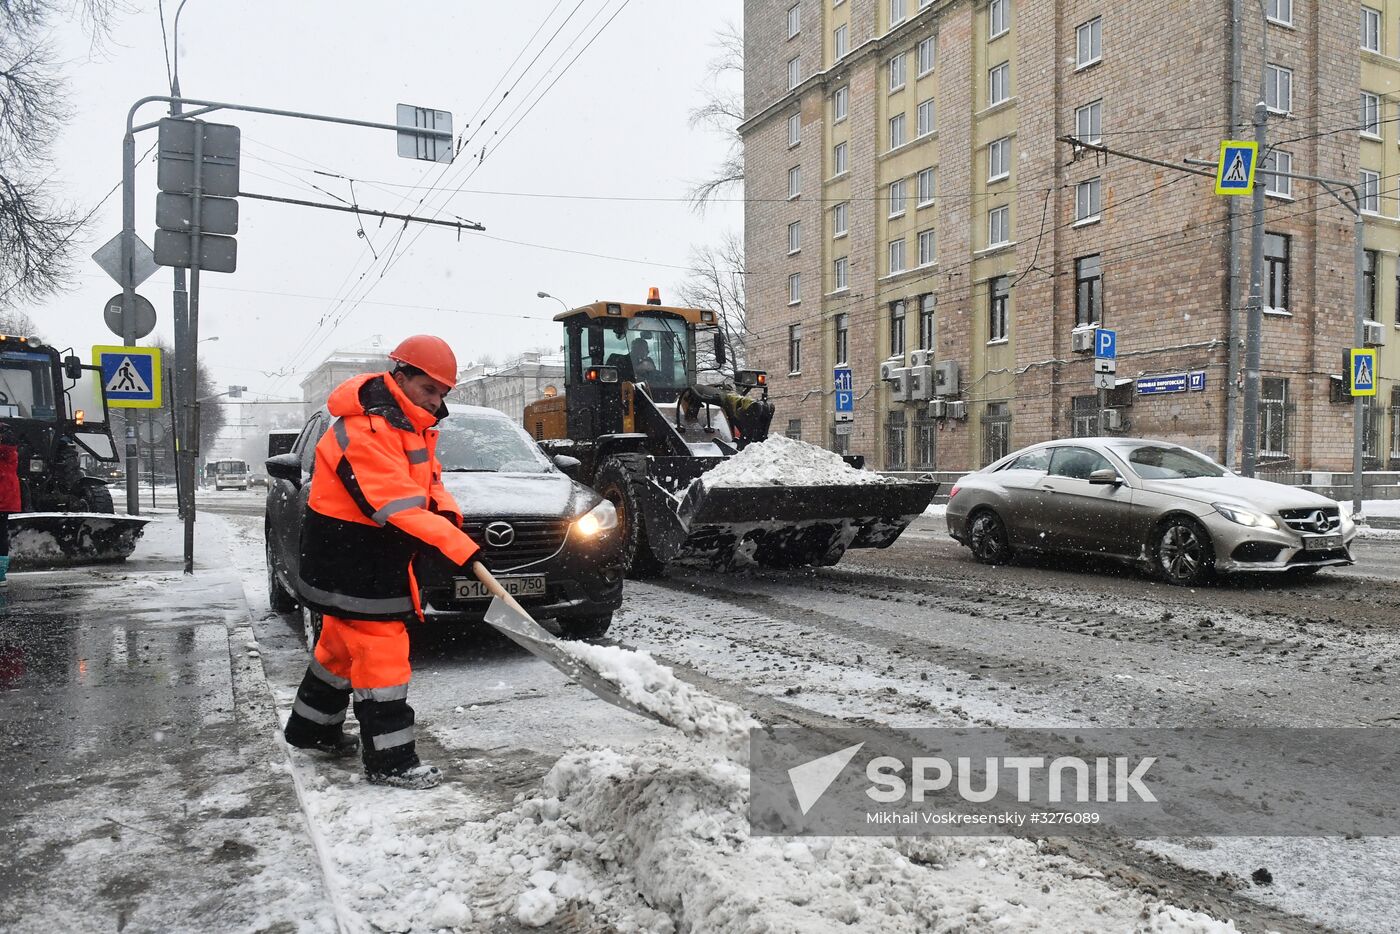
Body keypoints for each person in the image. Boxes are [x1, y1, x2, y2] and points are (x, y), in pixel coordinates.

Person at [282, 335, 484, 790]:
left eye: (442, 394)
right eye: (428, 389)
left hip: (370, 557)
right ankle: (390, 761)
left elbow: (428, 487)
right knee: (382, 654)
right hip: (350, 558)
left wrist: (450, 519)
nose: (435, 401)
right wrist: (456, 547)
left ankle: (312, 730)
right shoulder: (362, 429)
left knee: (338, 646)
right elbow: (391, 503)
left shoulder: (413, 426)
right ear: (401, 375)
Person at [0, 425, 17, 586]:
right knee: (1, 534)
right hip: (5, 501)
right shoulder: (10, 455)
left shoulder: (6, 454)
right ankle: (0, 573)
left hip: (2, 501)